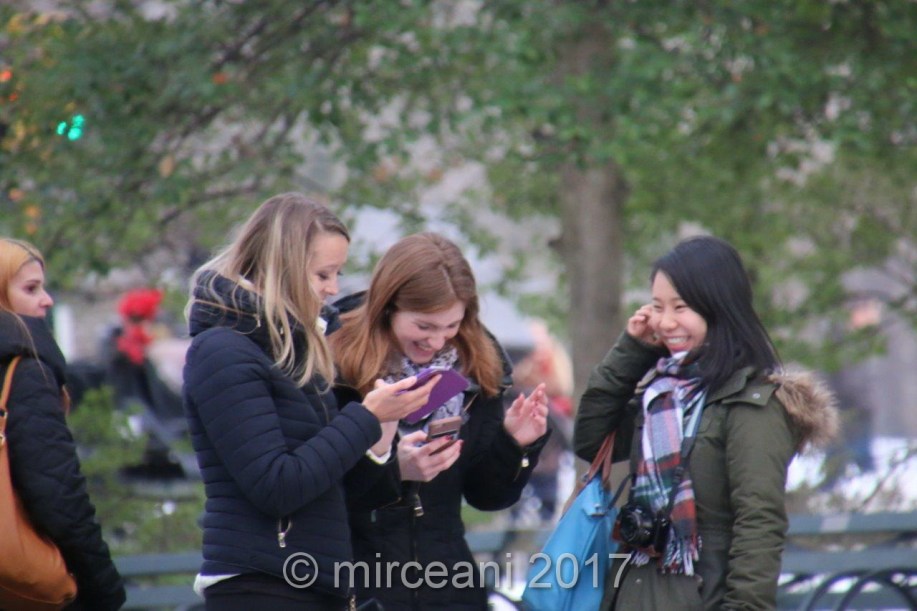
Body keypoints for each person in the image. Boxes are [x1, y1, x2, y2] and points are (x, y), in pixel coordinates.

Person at [182, 193, 436, 610]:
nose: (333, 288)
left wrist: (380, 437)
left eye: (337, 273)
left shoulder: (298, 349)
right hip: (261, 582)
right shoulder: (223, 351)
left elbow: (333, 488)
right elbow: (277, 486)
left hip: (313, 578)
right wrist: (364, 418)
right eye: (323, 274)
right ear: (282, 265)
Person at [574, 235, 839, 610]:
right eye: (657, 307)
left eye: (680, 307)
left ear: (718, 309)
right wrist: (632, 350)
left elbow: (759, 523)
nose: (666, 322)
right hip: (634, 591)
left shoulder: (751, 405)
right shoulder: (662, 396)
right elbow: (590, 439)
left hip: (701, 597)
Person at [330, 232, 551, 611]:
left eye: (451, 326)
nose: (437, 341)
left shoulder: (476, 366)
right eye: (424, 326)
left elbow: (487, 496)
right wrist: (395, 471)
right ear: (387, 308)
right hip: (360, 584)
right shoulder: (333, 366)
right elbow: (315, 484)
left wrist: (515, 444)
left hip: (450, 587)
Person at [0, 237, 126, 610]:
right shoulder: (26, 373)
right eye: (31, 289)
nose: (47, 300)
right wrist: (103, 588)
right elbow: (57, 493)